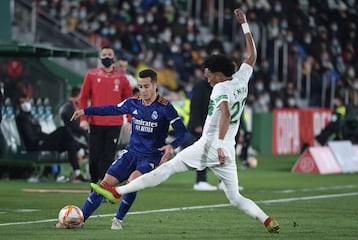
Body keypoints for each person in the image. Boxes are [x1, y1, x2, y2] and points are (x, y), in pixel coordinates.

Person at [91, 9, 280, 233]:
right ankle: (267, 220)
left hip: (211, 145)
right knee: (235, 197)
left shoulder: (220, 87)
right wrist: (245, 25)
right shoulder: (241, 78)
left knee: (167, 168)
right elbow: (252, 56)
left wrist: (217, 144)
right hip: (228, 149)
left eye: (208, 73)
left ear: (218, 74)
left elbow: (226, 113)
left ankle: (116, 192)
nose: (206, 77)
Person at [69, 69, 188, 230]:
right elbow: (110, 109)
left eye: (147, 86)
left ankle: (118, 220)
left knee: (133, 182)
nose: (143, 91)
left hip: (150, 158)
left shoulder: (165, 107)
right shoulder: (133, 102)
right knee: (104, 184)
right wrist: (85, 111)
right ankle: (80, 219)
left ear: (155, 86)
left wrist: (171, 146)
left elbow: (183, 133)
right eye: (140, 86)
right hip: (131, 153)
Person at [78, 45, 133, 184]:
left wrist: (130, 119)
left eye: (110, 54)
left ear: (114, 57)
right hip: (95, 122)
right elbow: (83, 97)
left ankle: (103, 186)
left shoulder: (122, 78)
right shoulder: (91, 75)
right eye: (104, 54)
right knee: (94, 157)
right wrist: (83, 119)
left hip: (114, 123)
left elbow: (129, 100)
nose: (107, 57)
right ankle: (93, 183)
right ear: (99, 57)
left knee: (108, 157)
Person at [15, 95, 87, 182]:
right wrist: (42, 140)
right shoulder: (21, 118)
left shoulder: (31, 116)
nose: (26, 103)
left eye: (26, 101)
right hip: (36, 145)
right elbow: (29, 136)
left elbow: (39, 132)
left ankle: (77, 173)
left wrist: (46, 137)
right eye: (22, 102)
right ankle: (79, 149)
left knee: (69, 144)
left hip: (41, 141)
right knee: (63, 129)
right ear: (18, 105)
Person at [187, 77, 217, 191]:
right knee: (202, 153)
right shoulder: (200, 85)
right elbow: (194, 106)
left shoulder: (217, 85)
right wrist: (197, 124)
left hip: (210, 126)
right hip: (200, 126)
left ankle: (222, 181)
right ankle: (201, 180)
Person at [59, 87, 89, 154]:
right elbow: (75, 127)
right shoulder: (68, 108)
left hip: (77, 136)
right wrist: (85, 129)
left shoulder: (72, 107)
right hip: (73, 137)